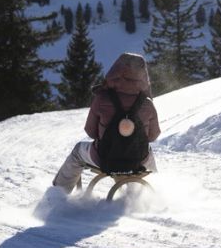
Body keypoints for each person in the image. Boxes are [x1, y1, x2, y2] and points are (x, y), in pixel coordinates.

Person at [53, 52, 161, 194]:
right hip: (138, 161)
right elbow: (153, 136)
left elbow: (90, 132)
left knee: (78, 151)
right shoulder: (147, 103)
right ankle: (141, 196)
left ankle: (58, 195)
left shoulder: (102, 98)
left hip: (104, 158)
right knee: (147, 152)